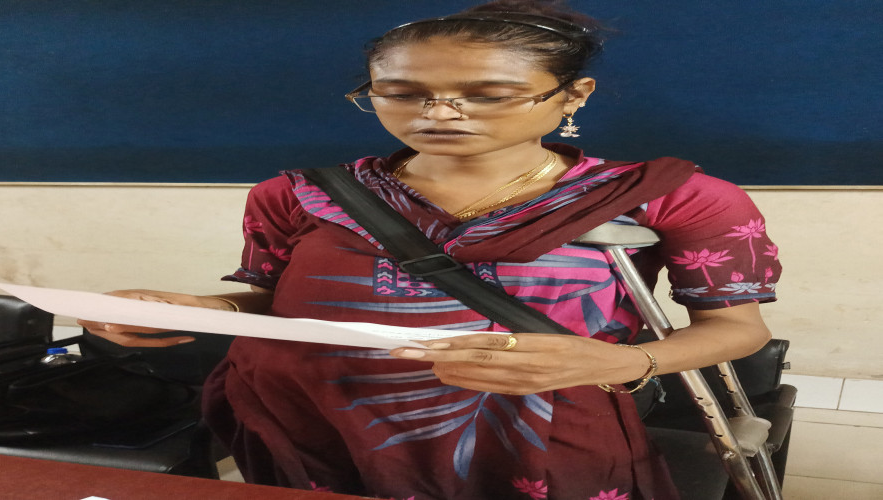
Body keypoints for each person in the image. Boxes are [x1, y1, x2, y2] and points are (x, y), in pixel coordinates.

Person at [79, 1, 782, 498]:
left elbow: (737, 328)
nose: (439, 113)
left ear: (573, 95)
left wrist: (628, 362)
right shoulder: (299, 194)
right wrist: (201, 309)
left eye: (490, 94)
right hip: (307, 417)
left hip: (528, 422)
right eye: (401, 92)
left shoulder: (669, 197)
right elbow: (270, 299)